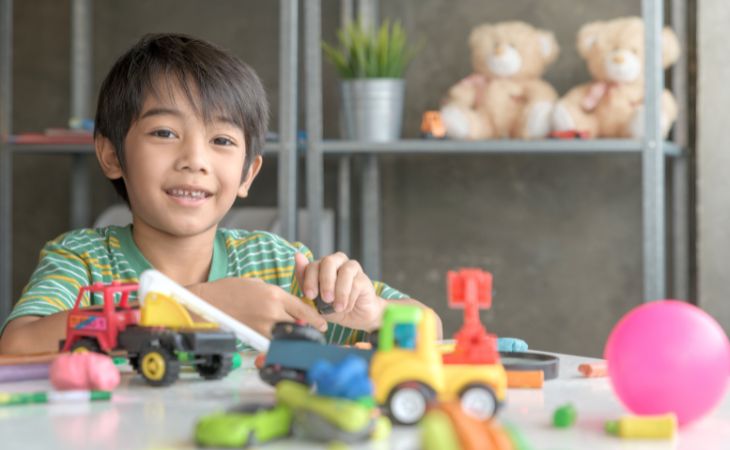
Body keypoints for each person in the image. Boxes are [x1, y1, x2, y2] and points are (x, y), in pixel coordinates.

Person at [0, 33, 441, 354]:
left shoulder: (277, 265)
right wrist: (198, 306)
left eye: (222, 141)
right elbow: (16, 346)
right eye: (165, 132)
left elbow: (431, 329)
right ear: (112, 155)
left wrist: (373, 313)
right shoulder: (81, 259)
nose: (195, 159)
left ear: (248, 173)